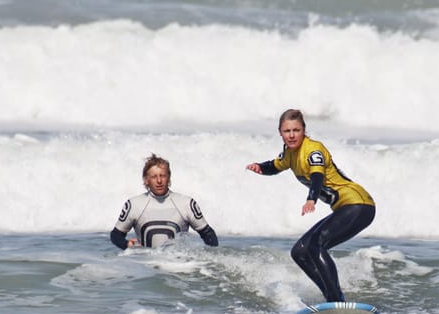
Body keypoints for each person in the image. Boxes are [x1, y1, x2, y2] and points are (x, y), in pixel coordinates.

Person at [246, 109, 375, 302]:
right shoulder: (289, 154)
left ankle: (336, 299)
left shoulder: (313, 150)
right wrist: (260, 167)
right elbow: (275, 165)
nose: (291, 135)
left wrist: (311, 199)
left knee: (316, 245)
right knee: (300, 252)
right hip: (346, 208)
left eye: (296, 130)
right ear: (280, 132)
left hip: (358, 204)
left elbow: (317, 176)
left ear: (304, 131)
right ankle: (332, 297)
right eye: (287, 131)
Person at [111, 153, 218, 249]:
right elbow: (116, 235)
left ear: (169, 177)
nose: (159, 181)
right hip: (146, 265)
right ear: (146, 180)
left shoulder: (186, 203)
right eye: (154, 177)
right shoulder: (134, 204)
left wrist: (209, 261)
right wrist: (126, 244)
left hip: (176, 267)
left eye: (162, 175)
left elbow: (208, 234)